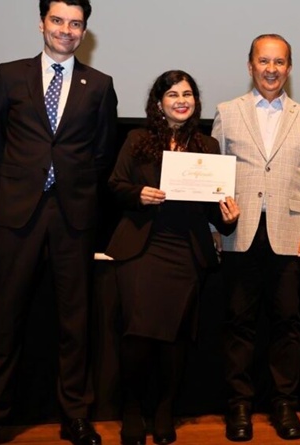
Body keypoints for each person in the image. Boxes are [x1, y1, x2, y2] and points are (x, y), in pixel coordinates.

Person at [0, 1, 118, 445]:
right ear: (42, 23)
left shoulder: (100, 85)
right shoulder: (8, 74)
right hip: (16, 212)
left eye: (76, 24)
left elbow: (102, 152)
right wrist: (25, 181)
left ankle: (75, 416)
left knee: (75, 320)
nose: (66, 30)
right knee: (4, 317)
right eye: (58, 21)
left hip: (74, 215)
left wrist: (68, 183)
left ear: (84, 30)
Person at [105, 70, 239, 445]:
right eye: (173, 94)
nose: (182, 100)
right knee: (138, 336)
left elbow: (214, 208)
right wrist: (138, 195)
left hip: (186, 252)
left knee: (176, 339)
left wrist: (227, 217)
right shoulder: (137, 140)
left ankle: (165, 410)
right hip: (142, 250)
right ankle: (132, 409)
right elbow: (115, 186)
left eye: (188, 94)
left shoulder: (208, 147)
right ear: (159, 102)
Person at [211, 33, 300, 442]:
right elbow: (214, 175)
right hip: (238, 234)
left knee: (287, 324)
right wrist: (213, 226)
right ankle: (239, 406)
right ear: (250, 66)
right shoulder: (227, 112)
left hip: (289, 236)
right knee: (238, 322)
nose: (272, 69)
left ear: (290, 68)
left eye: (280, 62)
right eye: (264, 61)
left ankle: (284, 405)